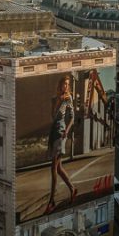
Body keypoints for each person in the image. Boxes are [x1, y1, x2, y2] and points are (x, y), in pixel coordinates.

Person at [45, 75, 77, 214]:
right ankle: (72, 189)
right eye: (64, 84)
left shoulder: (69, 98)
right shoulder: (55, 99)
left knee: (53, 167)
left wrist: (67, 132)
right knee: (58, 168)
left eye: (67, 84)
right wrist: (58, 101)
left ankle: (52, 200)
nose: (66, 86)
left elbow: (73, 118)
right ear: (60, 85)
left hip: (61, 133)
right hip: (53, 133)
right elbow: (53, 116)